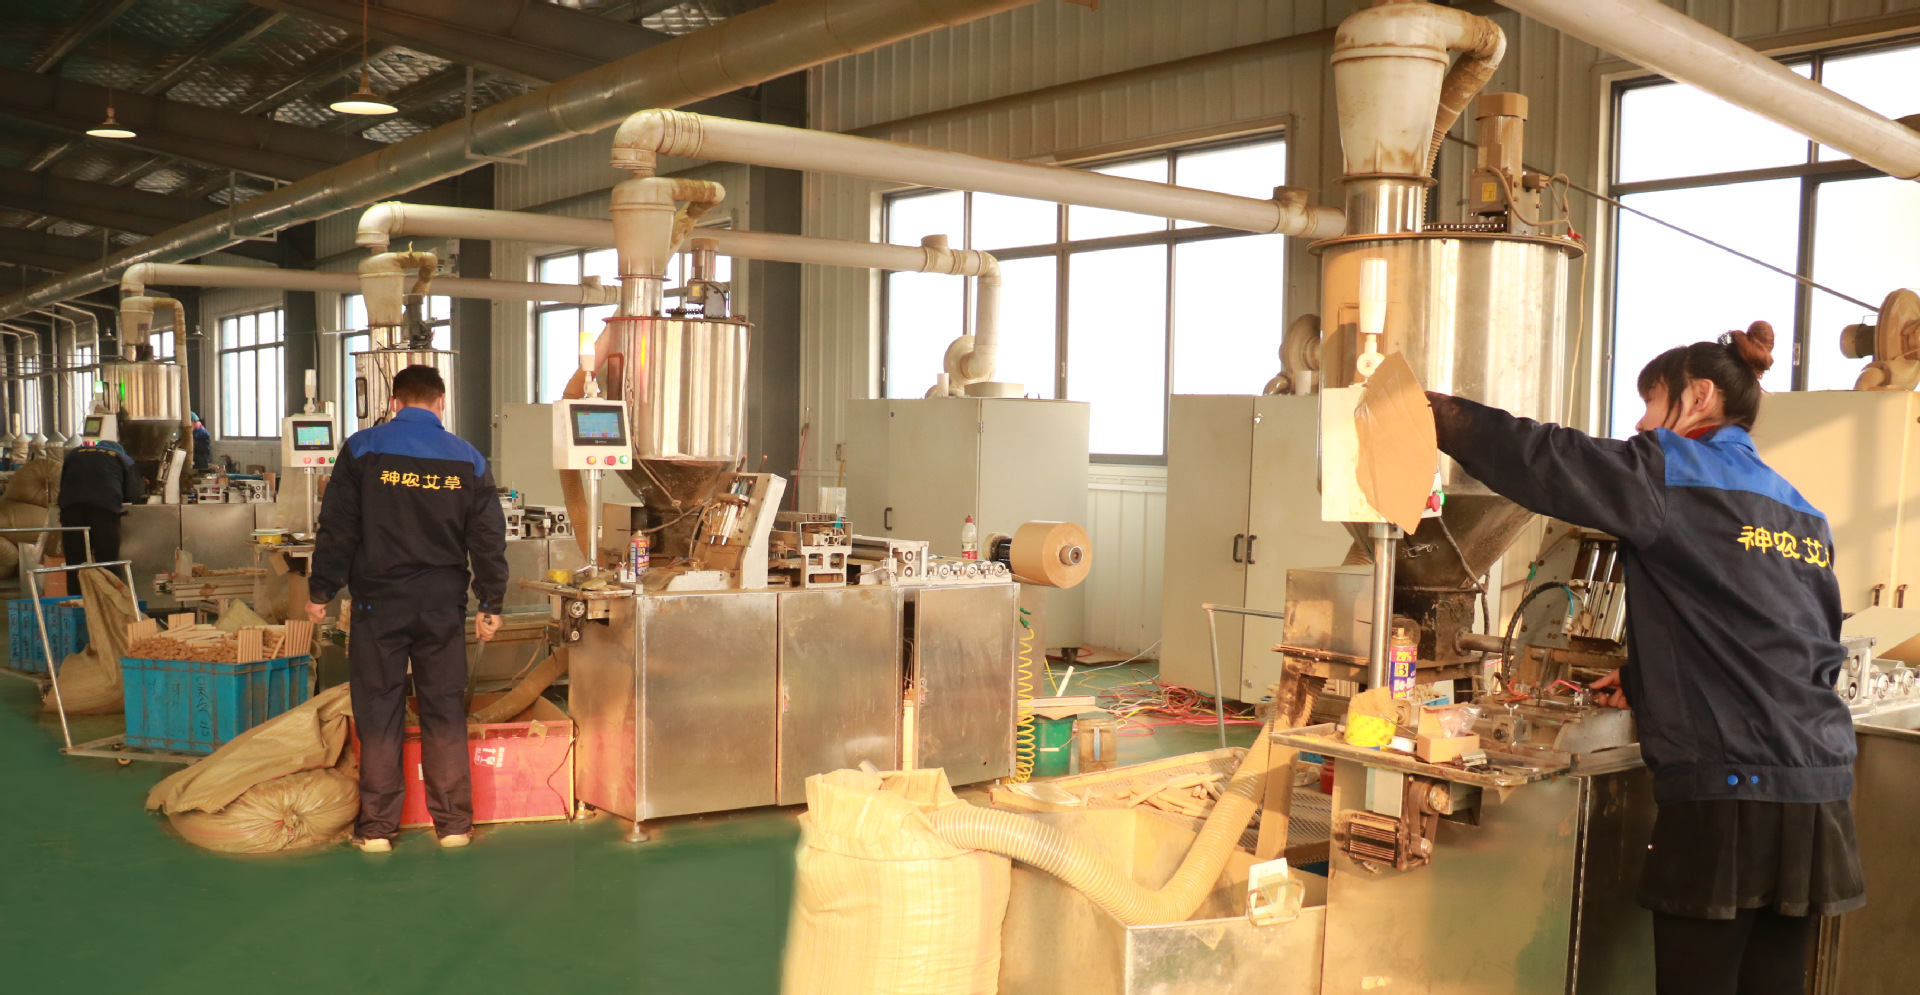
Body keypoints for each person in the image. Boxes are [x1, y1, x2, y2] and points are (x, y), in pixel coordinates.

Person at [1425, 322, 1862, 994]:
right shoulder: (1802, 513)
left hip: (1728, 796)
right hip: (1818, 792)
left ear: (1699, 397)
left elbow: (1548, 458)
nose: (1639, 423)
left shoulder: (1671, 469)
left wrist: (1439, 416)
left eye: (1651, 402)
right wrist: (1645, 676)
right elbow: (1793, 639)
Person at [306, 366, 508, 852]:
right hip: (442, 607)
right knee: (443, 710)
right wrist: (491, 600)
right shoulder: (469, 458)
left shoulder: (362, 449)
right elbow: (487, 538)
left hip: (379, 604)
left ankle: (377, 829)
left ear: (394, 402)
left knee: (379, 710)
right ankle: (454, 825)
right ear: (442, 402)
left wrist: (321, 590)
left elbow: (338, 528)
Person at [57, 439, 144, 564]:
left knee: (75, 562)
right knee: (107, 561)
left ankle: (76, 577)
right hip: (104, 508)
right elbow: (134, 493)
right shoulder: (123, 457)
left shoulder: (73, 453)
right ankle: (106, 576)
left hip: (71, 508)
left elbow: (63, 482)